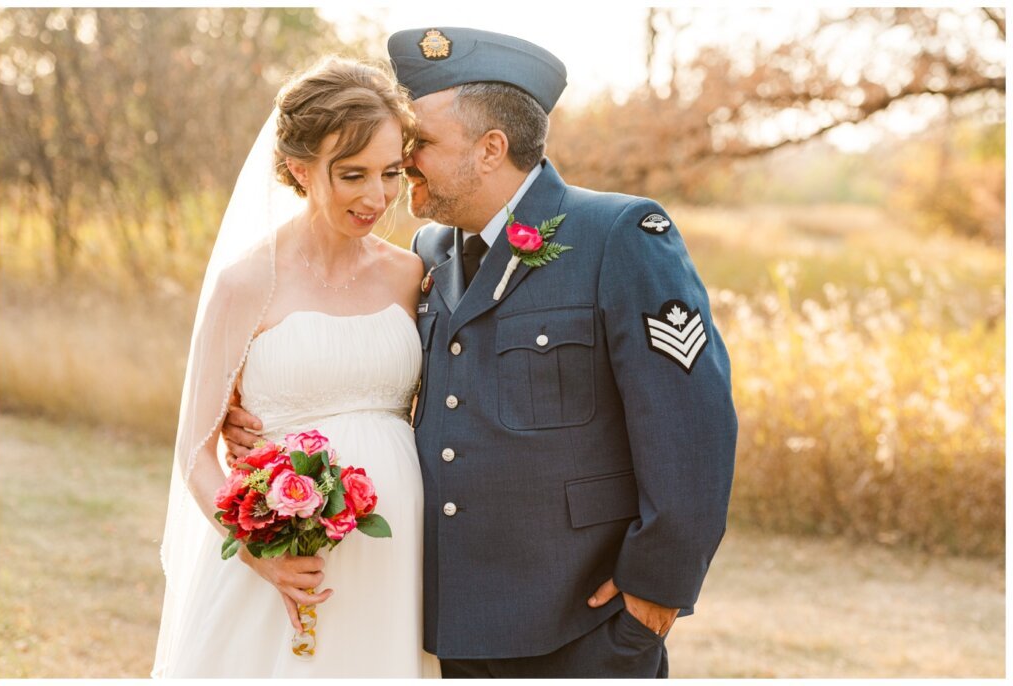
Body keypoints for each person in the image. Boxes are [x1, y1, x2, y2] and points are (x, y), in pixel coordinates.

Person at [225, 26, 737, 679]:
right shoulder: (429, 254)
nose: (402, 161)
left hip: (583, 622)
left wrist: (655, 592)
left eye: (422, 144)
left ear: (491, 149)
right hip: (454, 621)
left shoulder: (619, 235)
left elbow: (691, 426)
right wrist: (255, 414)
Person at [152, 55, 440, 677]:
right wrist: (262, 555)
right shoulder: (247, 282)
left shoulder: (410, 275)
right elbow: (196, 447)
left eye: (390, 172)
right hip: (286, 557)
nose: (376, 197)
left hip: (395, 559)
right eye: (352, 174)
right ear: (298, 168)